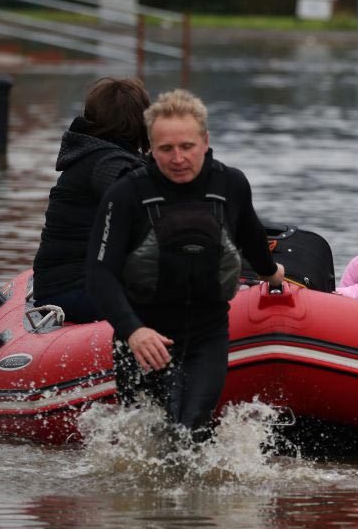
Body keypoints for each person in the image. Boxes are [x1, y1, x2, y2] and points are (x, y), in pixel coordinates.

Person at [86, 89, 284, 433]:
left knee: (188, 430)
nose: (178, 158)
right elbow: (99, 273)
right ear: (150, 147)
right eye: (166, 149)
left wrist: (273, 274)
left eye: (187, 147)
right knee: (149, 441)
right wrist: (133, 331)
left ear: (205, 141)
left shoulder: (231, 184)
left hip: (207, 334)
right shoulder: (126, 194)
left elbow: (252, 240)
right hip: (145, 338)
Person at [32, 77, 150, 323]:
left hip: (62, 286)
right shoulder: (107, 164)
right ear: (140, 123)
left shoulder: (93, 154)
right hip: (74, 291)